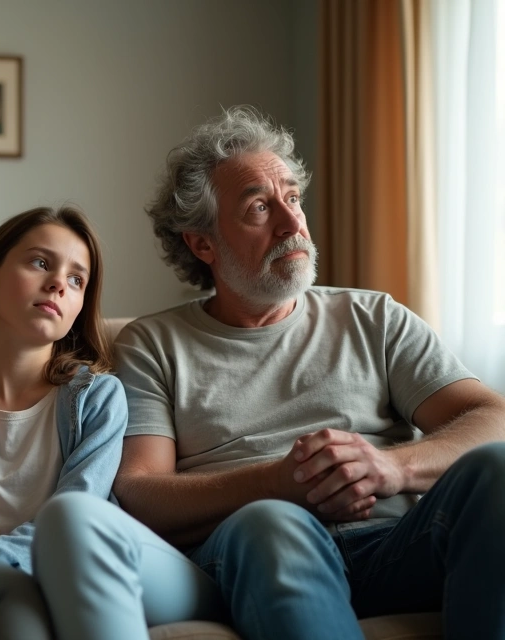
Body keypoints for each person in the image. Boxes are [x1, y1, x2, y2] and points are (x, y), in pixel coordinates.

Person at [113, 106, 505, 639]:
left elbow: (490, 417)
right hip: (259, 547)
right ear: (202, 243)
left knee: (497, 470)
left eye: (293, 199)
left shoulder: (374, 316)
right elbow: (140, 492)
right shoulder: (153, 344)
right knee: (270, 519)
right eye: (258, 207)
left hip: (392, 544)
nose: (292, 222)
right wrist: (278, 484)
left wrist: (392, 469)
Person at [0, 207, 214, 640]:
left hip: (90, 567)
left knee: (70, 515)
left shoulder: (97, 398)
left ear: (80, 305)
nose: (57, 284)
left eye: (76, 280)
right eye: (40, 263)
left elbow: (81, 513)